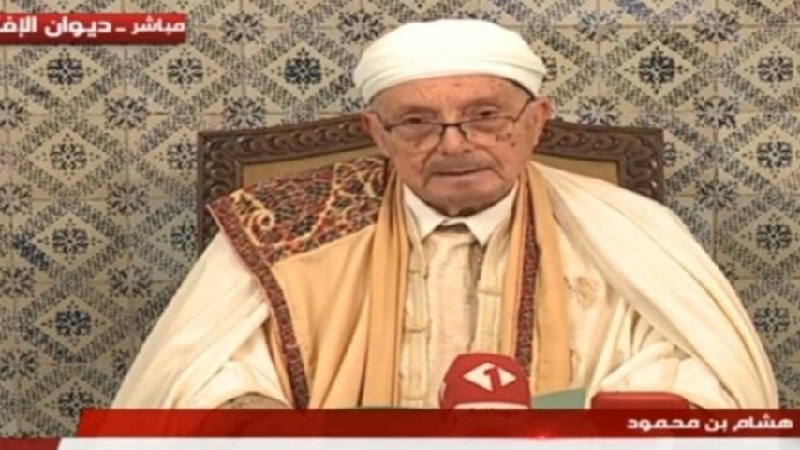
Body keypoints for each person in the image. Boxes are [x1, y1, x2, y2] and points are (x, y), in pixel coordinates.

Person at [112, 19, 778, 410]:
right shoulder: (283, 225)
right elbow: (200, 379)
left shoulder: (627, 231)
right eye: (417, 122)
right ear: (376, 133)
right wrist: (254, 415)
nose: (455, 145)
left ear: (536, 121)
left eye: (486, 117)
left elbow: (701, 381)